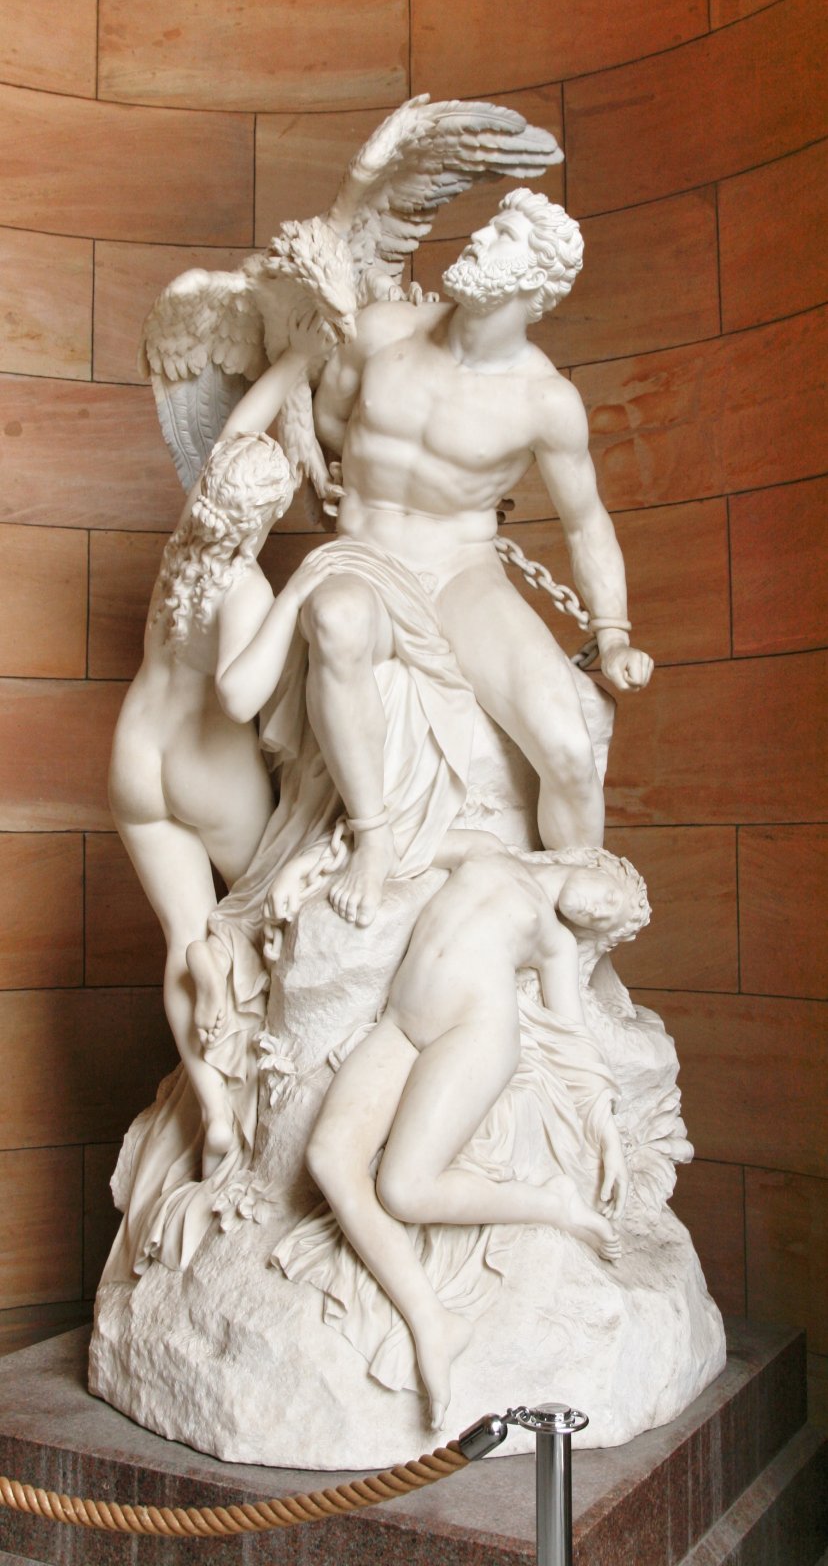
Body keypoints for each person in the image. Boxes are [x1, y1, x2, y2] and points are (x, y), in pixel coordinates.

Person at [222, 189, 653, 929]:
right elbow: (328, 422)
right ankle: (374, 840)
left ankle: (573, 944)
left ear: (536, 282)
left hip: (461, 572)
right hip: (365, 554)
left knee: (568, 750)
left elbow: (586, 524)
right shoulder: (382, 332)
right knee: (337, 620)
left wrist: (611, 632)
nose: (481, 236)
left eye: (505, 234)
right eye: (491, 223)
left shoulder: (545, 401)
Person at [284, 830, 649, 1426]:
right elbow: (399, 848)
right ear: (595, 862)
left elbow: (576, 1039)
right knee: (328, 1156)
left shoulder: (556, 943)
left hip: (475, 1032)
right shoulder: (486, 849)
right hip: (402, 1023)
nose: (602, 911)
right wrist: (307, 863)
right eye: (615, 894)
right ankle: (433, 1320)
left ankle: (552, 1205)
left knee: (403, 1189)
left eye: (610, 921)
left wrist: (606, 1126)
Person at [109, 432, 328, 1174]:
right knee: (264, 918)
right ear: (266, 514)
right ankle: (262, 1071)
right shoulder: (246, 587)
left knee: (182, 935)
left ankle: (214, 1112)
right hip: (210, 770)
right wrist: (294, 594)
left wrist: (293, 375)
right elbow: (237, 697)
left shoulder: (182, 547)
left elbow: (237, 439)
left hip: (137, 755)